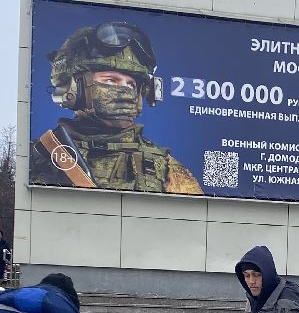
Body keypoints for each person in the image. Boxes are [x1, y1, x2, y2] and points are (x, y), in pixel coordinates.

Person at [30, 21, 202, 195]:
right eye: (110, 80)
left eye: (131, 85)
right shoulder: (38, 156)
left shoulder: (168, 170)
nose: (125, 92)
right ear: (74, 88)